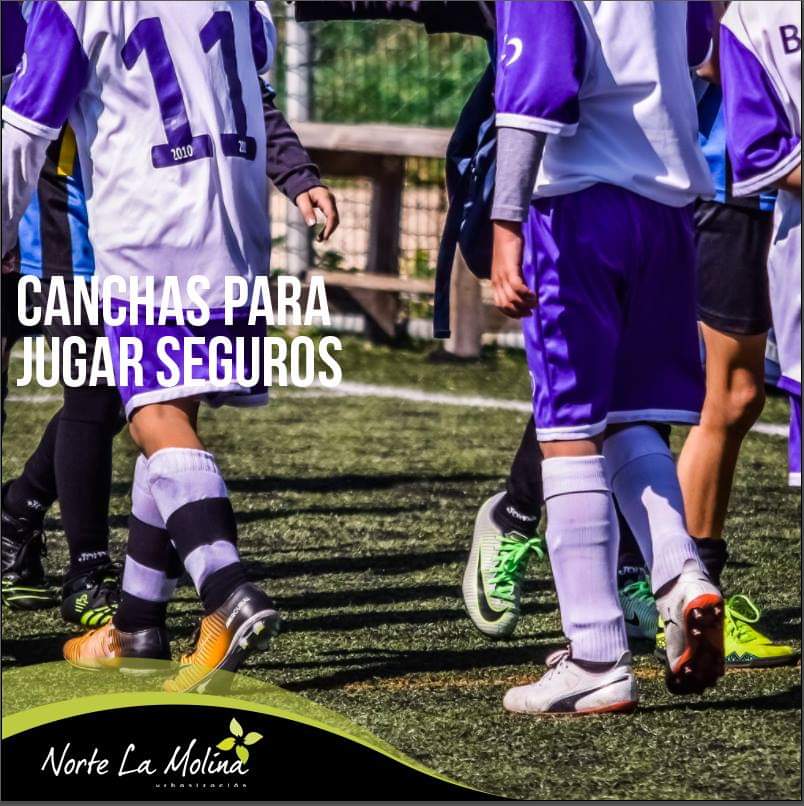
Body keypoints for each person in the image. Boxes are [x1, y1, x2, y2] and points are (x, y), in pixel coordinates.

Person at [2, 0, 336, 692]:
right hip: (235, 233)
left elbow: (27, 125)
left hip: (151, 232)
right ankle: (137, 626)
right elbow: (249, 73)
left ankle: (229, 591)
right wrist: (298, 173)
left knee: (153, 417)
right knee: (170, 415)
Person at [486, 0, 724, 715]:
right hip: (668, 207)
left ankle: (595, 656)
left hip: (577, 205)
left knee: (566, 430)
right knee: (629, 416)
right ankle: (682, 578)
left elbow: (539, 83)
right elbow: (699, 42)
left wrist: (505, 219)